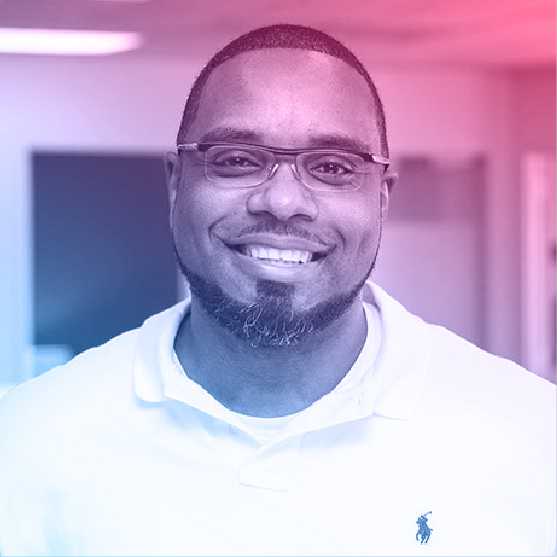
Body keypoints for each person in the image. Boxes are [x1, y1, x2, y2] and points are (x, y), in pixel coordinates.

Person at [0, 24, 554, 556]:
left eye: (332, 167)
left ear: (382, 198)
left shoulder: (534, 438)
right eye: (238, 160)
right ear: (176, 182)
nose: (283, 202)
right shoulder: (28, 441)